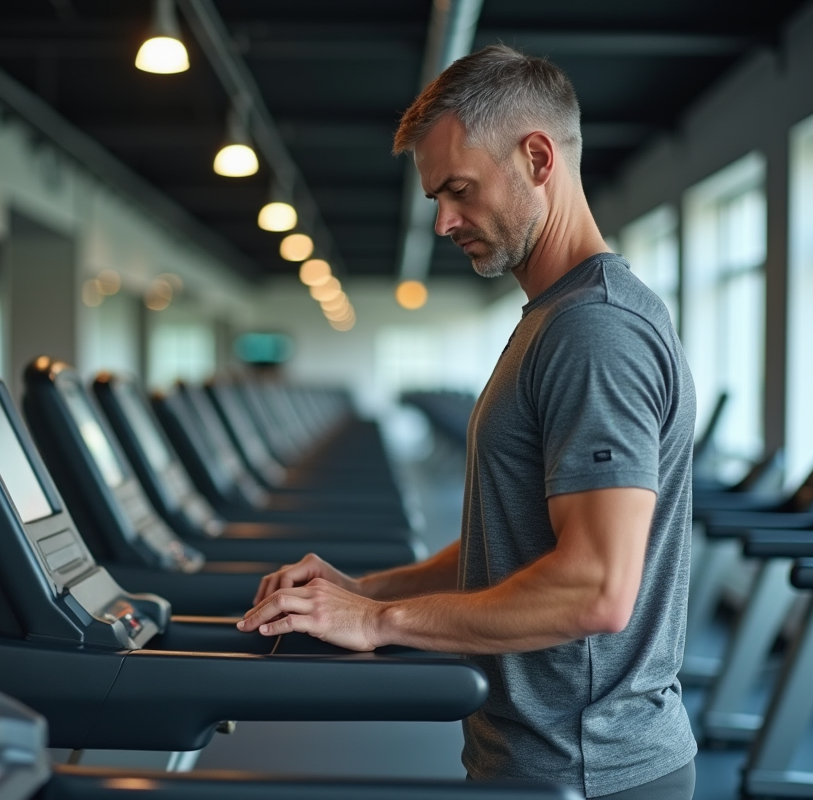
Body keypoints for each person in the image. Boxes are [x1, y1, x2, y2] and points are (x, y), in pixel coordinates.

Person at [236, 44, 698, 799]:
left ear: (538, 157)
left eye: (459, 190)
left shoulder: (594, 330)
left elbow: (594, 589)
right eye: (435, 200)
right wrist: (363, 593)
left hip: (588, 771)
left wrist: (381, 624)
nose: (446, 221)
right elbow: (514, 547)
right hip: (541, 756)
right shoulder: (553, 318)